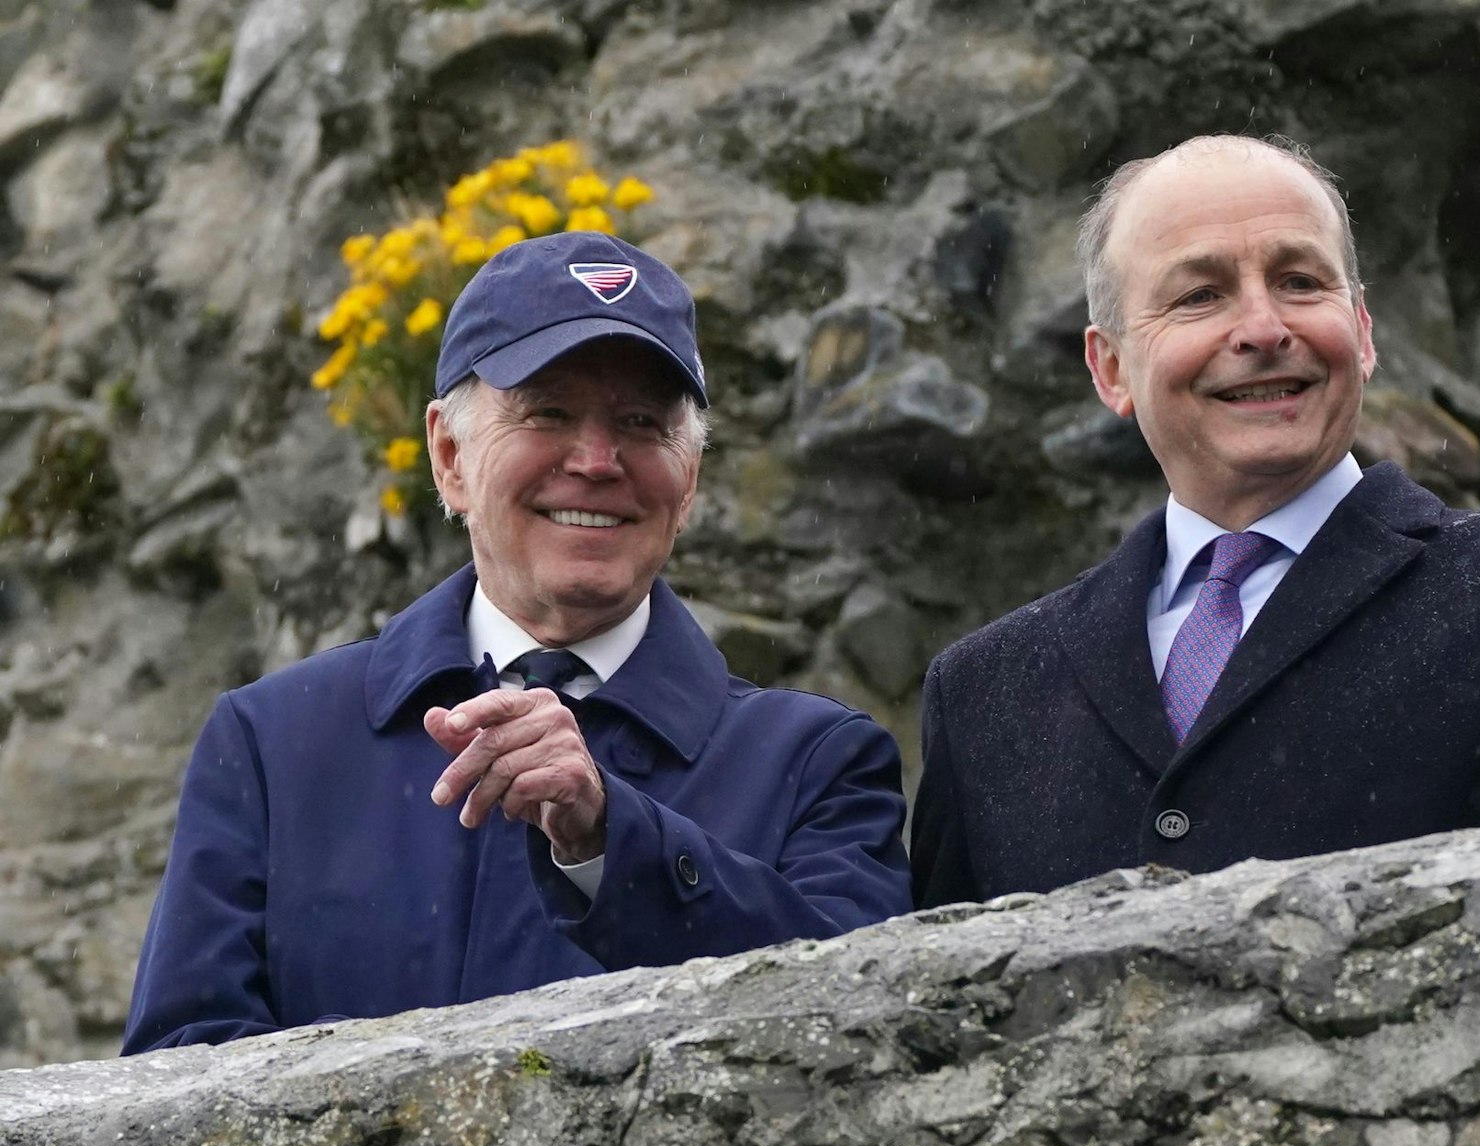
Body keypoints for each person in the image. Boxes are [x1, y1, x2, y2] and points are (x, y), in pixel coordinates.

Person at [125, 232, 912, 1052]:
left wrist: (613, 839)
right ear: (449, 455)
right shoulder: (274, 744)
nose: (599, 460)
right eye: (549, 410)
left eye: (643, 421)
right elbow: (175, 1073)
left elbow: (860, 1040)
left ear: (690, 482)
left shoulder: (817, 764)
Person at [910, 135, 1480, 906]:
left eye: (1301, 281)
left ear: (1363, 334)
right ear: (1111, 366)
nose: (1265, 329)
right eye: (1200, 295)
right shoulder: (984, 694)